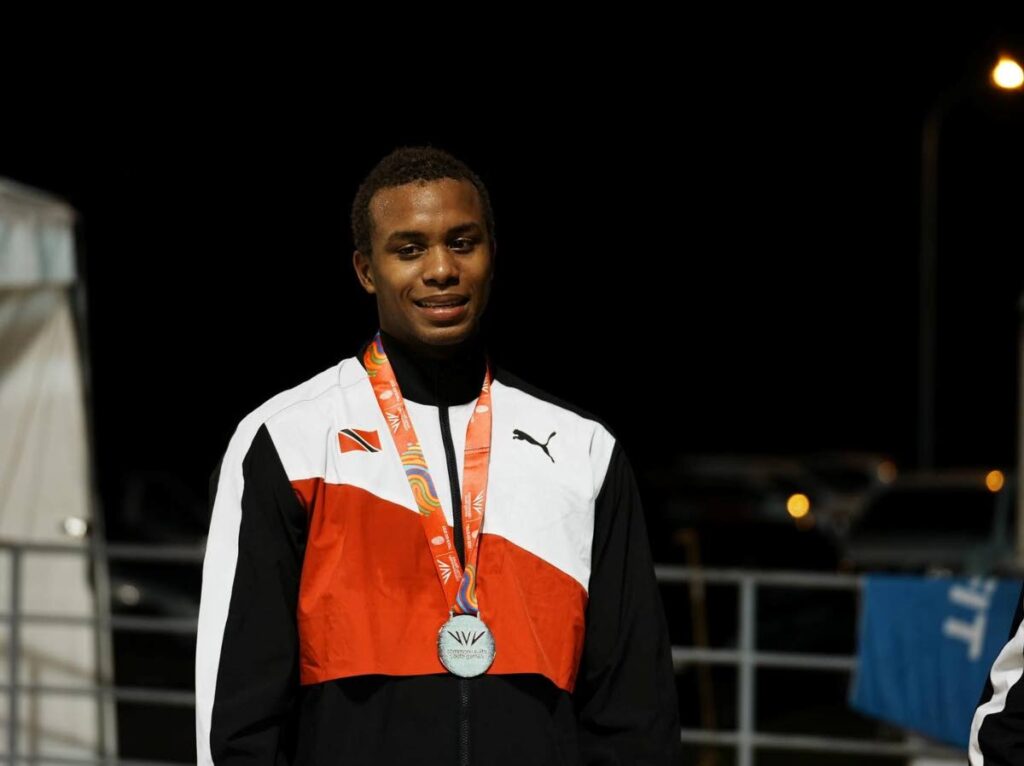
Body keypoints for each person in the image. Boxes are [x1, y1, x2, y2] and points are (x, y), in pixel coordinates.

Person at [194, 145, 681, 764]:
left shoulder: (582, 448)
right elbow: (237, 709)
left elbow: (635, 709)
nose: (441, 269)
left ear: (491, 258)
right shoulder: (287, 440)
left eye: (462, 242)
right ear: (366, 270)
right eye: (409, 248)